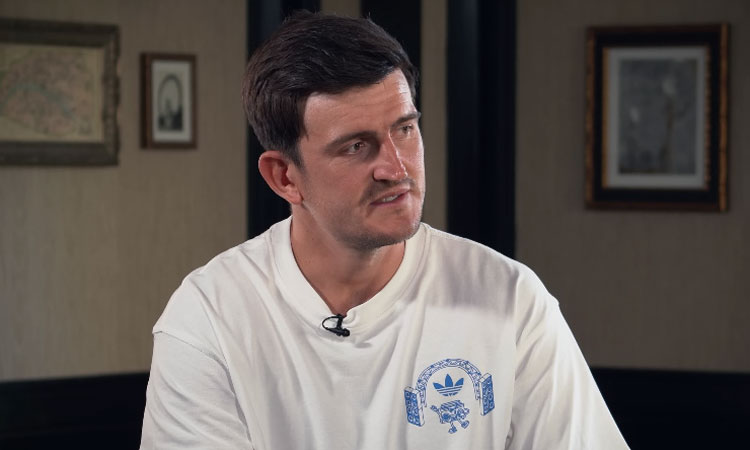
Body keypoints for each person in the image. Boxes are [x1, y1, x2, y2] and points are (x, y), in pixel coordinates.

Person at [140, 11, 629, 449]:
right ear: (284, 177)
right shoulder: (208, 318)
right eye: (356, 146)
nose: (396, 168)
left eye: (404, 129)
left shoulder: (510, 300)